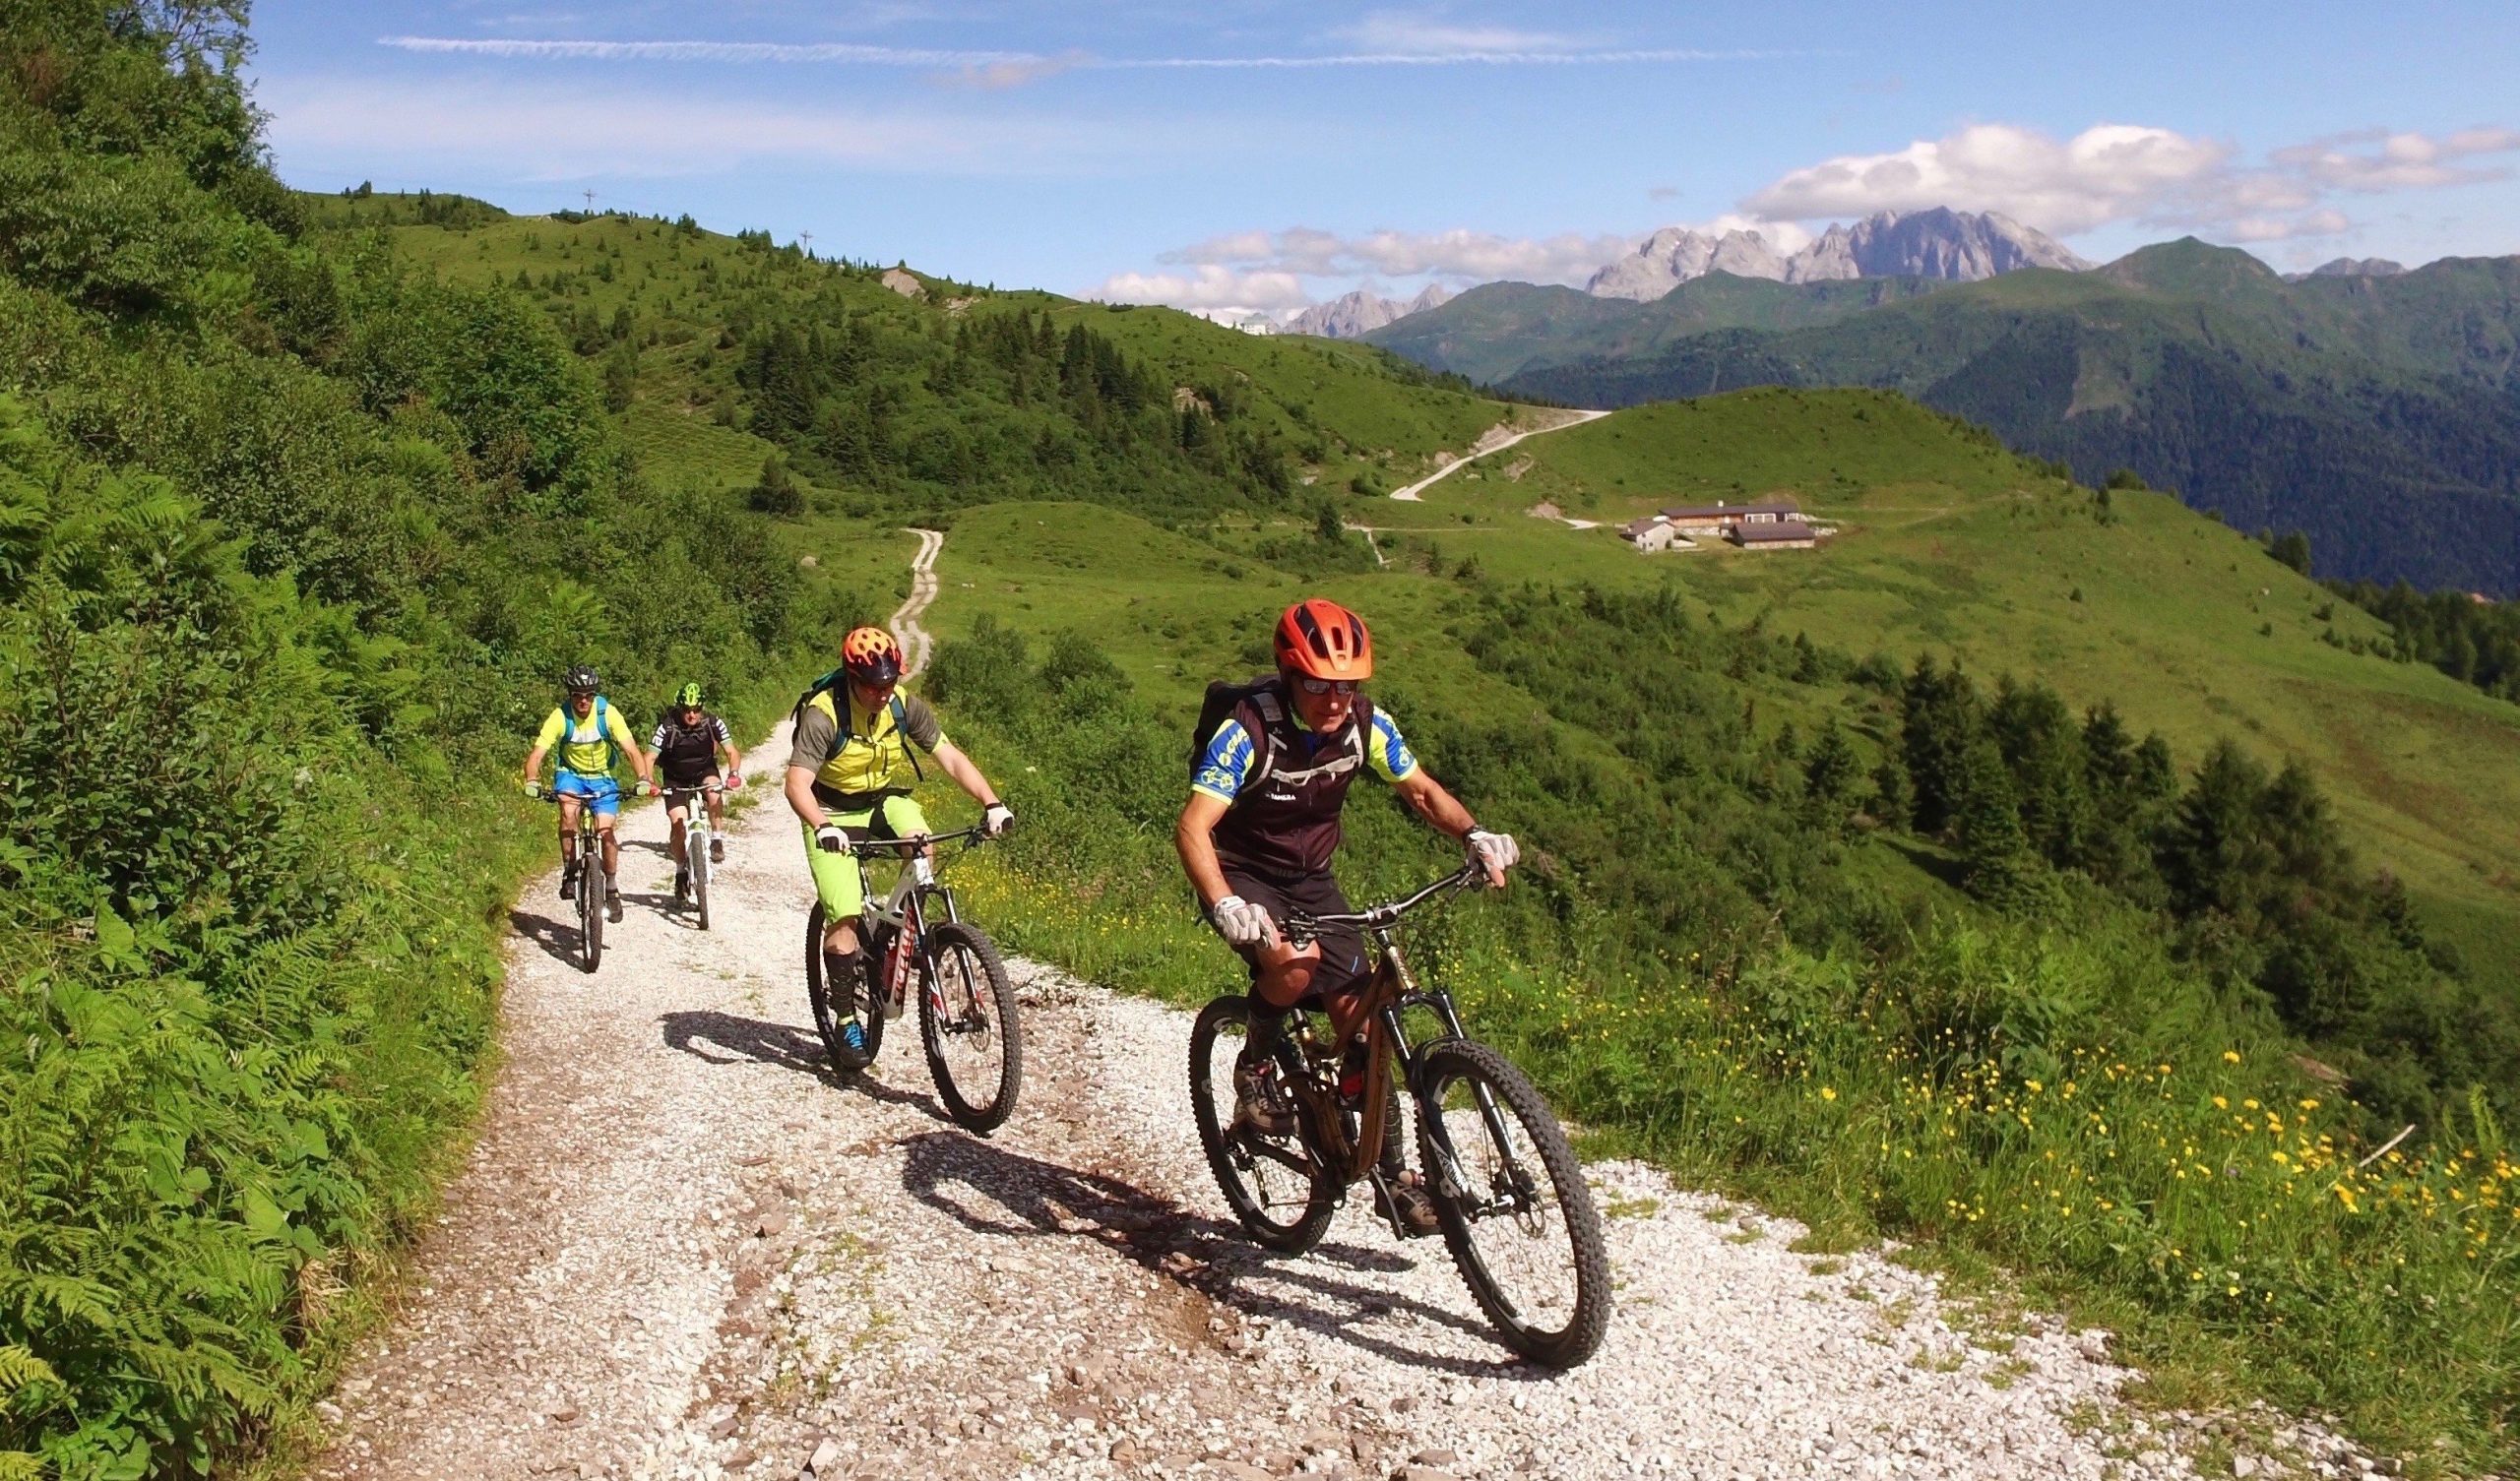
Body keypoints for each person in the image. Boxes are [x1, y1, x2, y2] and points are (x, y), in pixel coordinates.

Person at [1175, 598, 1518, 1234]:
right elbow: (1193, 826)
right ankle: (1254, 1066)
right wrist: (1225, 902)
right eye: (1318, 684)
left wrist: (1474, 833)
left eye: (1347, 685)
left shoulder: (1365, 724)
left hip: (1311, 879)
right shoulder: (1248, 728)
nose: (1335, 699)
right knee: (1294, 961)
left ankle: (1392, 1179)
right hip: (1241, 869)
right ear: (1289, 674)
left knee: (1366, 1027)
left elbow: (1421, 789)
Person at [785, 625, 1014, 1052]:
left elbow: (950, 756)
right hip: (830, 811)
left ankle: (897, 925)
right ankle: (847, 1016)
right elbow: (796, 784)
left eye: (891, 682)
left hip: (881, 801)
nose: (884, 693)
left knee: (923, 844)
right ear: (853, 679)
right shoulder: (823, 714)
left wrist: (991, 802)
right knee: (844, 914)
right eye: (874, 686)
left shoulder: (904, 706)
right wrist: (822, 825)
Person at [522, 664, 656, 923]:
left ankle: (612, 887)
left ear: (594, 695)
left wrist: (642, 778)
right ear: (570, 695)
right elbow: (536, 755)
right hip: (570, 775)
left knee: (606, 832)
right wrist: (532, 779)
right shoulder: (561, 716)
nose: (583, 701)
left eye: (588, 695)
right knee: (567, 812)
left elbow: (630, 749)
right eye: (577, 695)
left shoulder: (607, 713)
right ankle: (570, 871)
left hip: (603, 777)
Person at [653, 681, 745, 897]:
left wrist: (733, 774)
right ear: (679, 709)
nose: (692, 715)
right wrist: (647, 781)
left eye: (696, 710)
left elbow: (732, 751)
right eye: (687, 710)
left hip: (704, 770)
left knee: (714, 792)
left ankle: (716, 838)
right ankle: (680, 873)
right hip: (675, 778)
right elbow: (649, 756)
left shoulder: (713, 722)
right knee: (678, 824)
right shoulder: (667, 726)